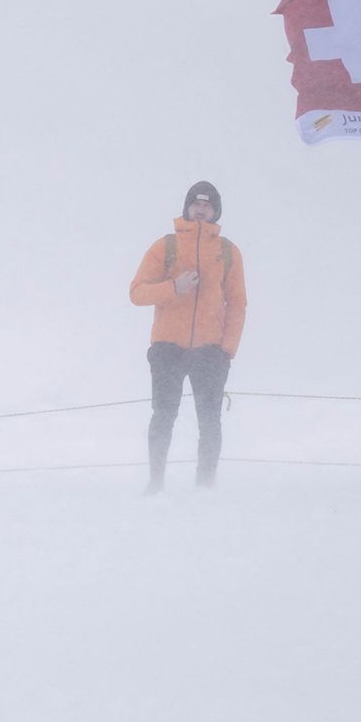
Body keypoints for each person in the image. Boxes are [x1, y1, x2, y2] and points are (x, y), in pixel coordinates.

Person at [129, 181, 247, 492]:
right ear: (187, 207)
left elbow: (237, 303)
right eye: (195, 203)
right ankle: (155, 484)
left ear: (215, 210)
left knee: (209, 422)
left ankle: (205, 487)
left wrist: (227, 350)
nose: (200, 209)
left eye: (207, 205)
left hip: (210, 352)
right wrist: (173, 289)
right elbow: (137, 293)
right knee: (163, 416)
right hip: (168, 348)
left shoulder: (228, 252)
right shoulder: (165, 246)